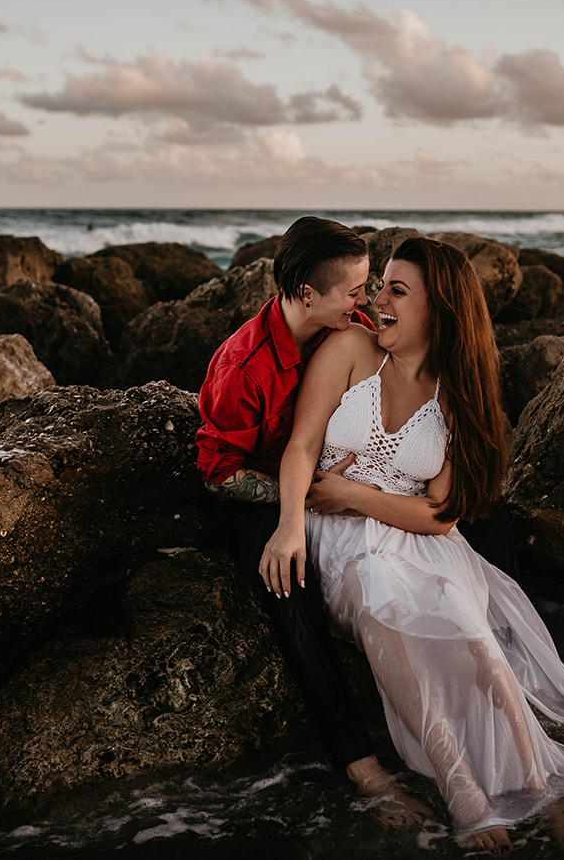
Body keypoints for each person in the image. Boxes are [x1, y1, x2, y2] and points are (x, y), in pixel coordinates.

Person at [281, 235, 564, 854]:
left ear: (438, 308)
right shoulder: (349, 350)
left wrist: (356, 496)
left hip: (415, 537)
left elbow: (441, 514)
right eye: (380, 284)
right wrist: (297, 518)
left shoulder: (454, 392)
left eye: (396, 289)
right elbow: (303, 447)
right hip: (337, 539)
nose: (377, 300)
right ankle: (461, 786)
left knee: (474, 638)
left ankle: (544, 792)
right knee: (386, 604)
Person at [196, 216, 431, 825]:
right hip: (259, 503)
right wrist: (296, 503)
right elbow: (218, 474)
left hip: (343, 488)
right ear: (307, 294)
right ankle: (362, 766)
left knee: (477, 531)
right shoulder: (243, 366)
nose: (369, 300)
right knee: (291, 587)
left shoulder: (350, 327)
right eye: (356, 290)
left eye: (372, 286)